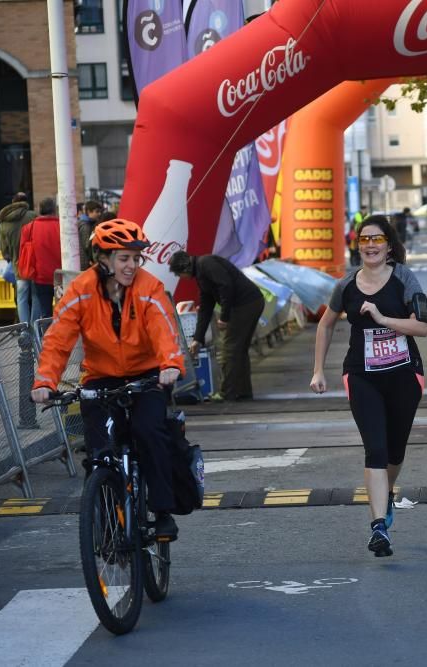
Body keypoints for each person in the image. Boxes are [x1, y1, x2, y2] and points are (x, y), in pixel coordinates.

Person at [30, 219, 185, 541]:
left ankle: (162, 511)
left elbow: (163, 329)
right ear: (103, 258)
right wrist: (45, 381)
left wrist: (170, 364)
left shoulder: (148, 288)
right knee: (98, 450)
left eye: (136, 258)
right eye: (124, 258)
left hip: (147, 375)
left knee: (149, 432)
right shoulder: (81, 290)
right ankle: (104, 515)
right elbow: (58, 339)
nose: (132, 265)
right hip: (100, 378)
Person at [309, 215, 427, 557]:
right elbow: (325, 325)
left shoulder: (405, 278)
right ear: (357, 244)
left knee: (394, 452)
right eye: (365, 240)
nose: (371, 245)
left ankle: (386, 494)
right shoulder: (345, 286)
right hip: (362, 376)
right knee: (375, 449)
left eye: (377, 239)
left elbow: (422, 327)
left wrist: (382, 318)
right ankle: (379, 528)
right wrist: (318, 370)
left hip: (405, 375)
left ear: (389, 245)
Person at [167, 250, 264, 402]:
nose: (180, 278)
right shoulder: (201, 273)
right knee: (239, 350)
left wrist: (224, 317)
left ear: (184, 268)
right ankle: (243, 392)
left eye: (178, 275)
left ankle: (227, 393)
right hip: (250, 302)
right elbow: (205, 309)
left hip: (245, 304)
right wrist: (198, 339)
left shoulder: (206, 264)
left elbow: (226, 286)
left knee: (230, 349)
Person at [0, 192, 38, 324]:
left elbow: (5, 251)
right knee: (36, 296)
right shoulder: (33, 216)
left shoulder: (4, 222)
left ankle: (24, 329)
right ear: (26, 203)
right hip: (35, 264)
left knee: (21, 298)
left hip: (18, 266)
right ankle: (36, 327)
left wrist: (12, 257)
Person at [29, 198, 62, 318]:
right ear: (54, 209)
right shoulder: (63, 226)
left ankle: (46, 336)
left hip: (40, 277)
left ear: (40, 209)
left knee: (45, 313)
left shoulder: (30, 227)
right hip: (61, 276)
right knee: (63, 312)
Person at [77, 200, 103, 270]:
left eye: (100, 212)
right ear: (89, 212)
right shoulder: (85, 226)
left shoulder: (85, 223)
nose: (99, 214)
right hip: (84, 263)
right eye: (97, 211)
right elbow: (87, 245)